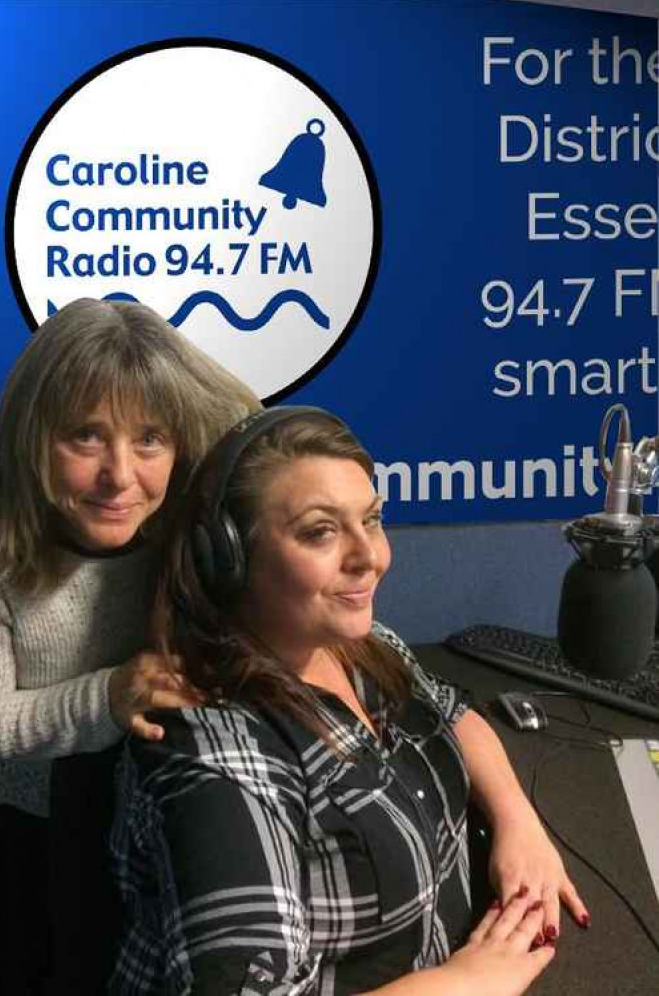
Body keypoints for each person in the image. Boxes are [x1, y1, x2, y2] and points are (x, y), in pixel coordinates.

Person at [110, 406, 591, 996]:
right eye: (321, 531)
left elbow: (454, 716)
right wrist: (469, 982)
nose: (371, 557)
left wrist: (519, 822)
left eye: (372, 520)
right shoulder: (214, 751)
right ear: (230, 559)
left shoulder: (359, 647)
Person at [0, 297, 260, 993]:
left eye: (150, 439)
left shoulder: (188, 514)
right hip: (16, 826)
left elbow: (248, 422)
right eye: (85, 437)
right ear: (34, 436)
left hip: (149, 807)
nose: (120, 477)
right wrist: (109, 693)